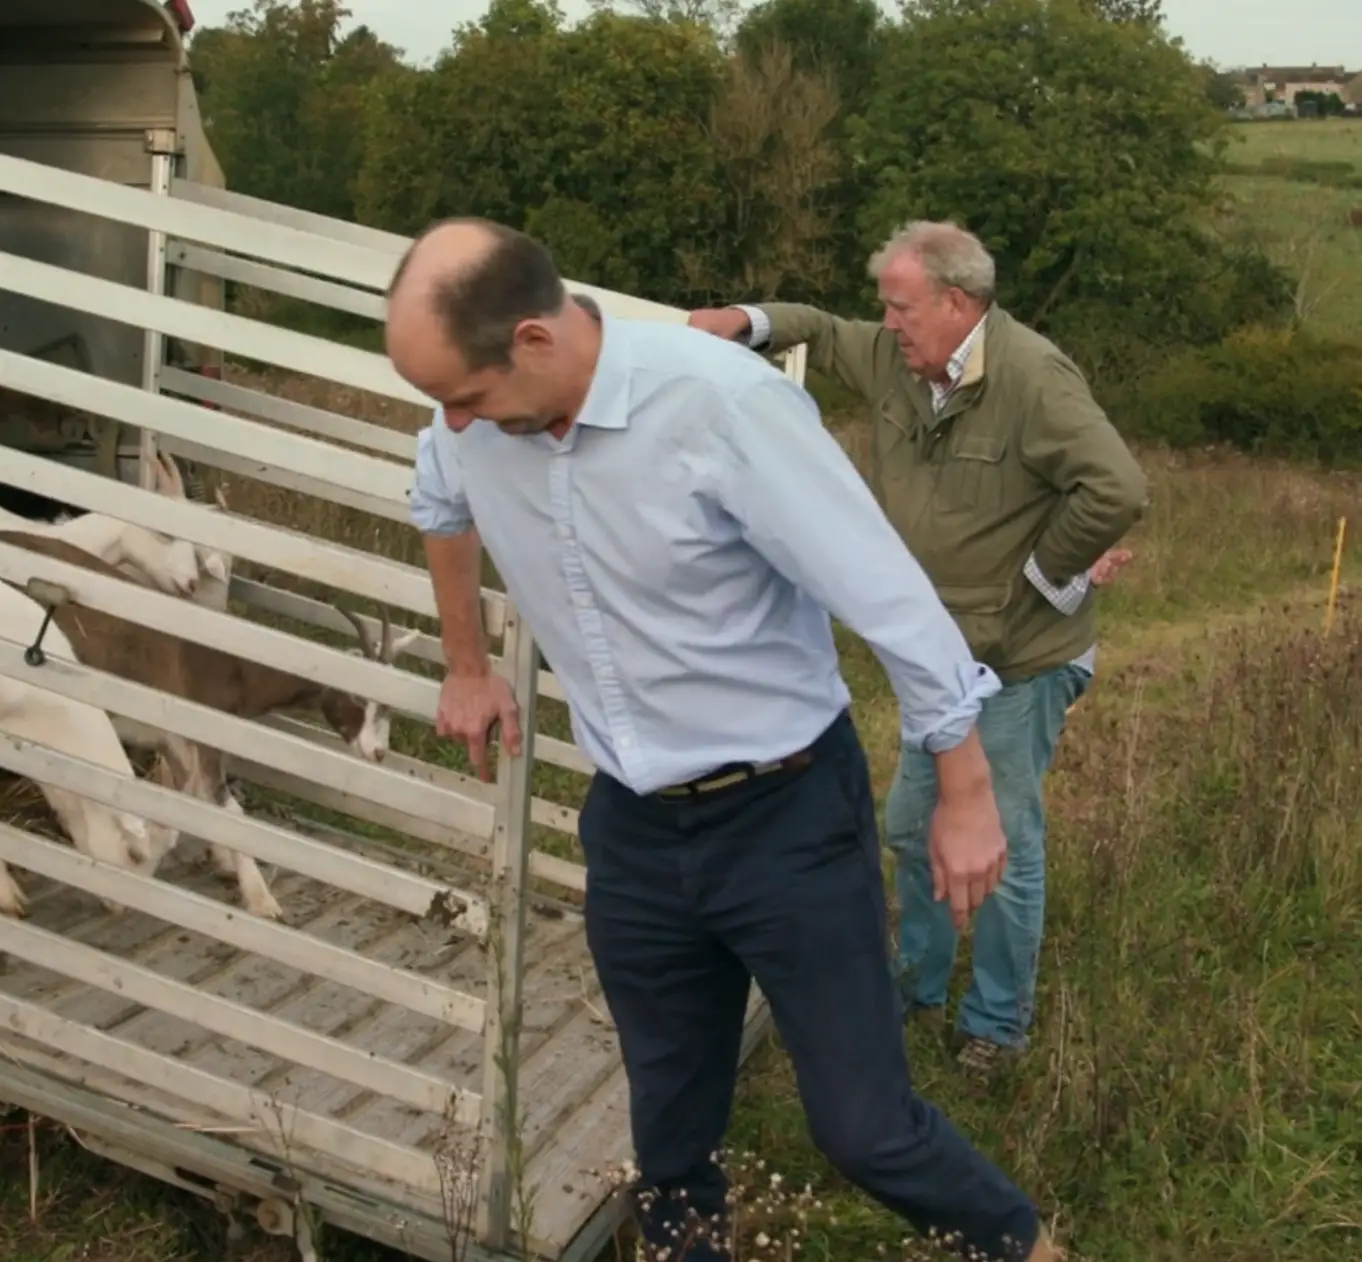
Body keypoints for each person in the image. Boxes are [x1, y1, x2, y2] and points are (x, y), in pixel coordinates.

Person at [392, 217, 1057, 1262]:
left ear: (530, 338)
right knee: (667, 1117)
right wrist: (467, 662)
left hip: (784, 813)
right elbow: (438, 503)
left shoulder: (720, 403)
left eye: (462, 398)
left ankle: (1021, 1242)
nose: (450, 423)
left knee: (862, 1124)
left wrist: (965, 787)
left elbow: (884, 595)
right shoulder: (473, 424)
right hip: (633, 829)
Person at [687, 222, 1148, 1076]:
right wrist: (740, 321)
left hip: (1020, 662)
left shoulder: (1032, 378)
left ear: (957, 303)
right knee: (911, 827)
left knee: (998, 846)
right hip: (938, 663)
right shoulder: (901, 363)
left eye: (901, 308)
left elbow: (1116, 485)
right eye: (886, 308)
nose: (889, 324)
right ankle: (916, 985)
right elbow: (820, 331)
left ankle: (997, 1026)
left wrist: (1049, 579)